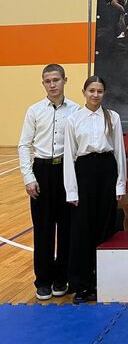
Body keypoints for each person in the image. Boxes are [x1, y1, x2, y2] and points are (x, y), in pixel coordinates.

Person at [18, 64, 81, 300]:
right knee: (43, 229)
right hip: (42, 171)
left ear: (65, 80)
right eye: (48, 81)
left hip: (66, 171)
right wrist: (29, 177)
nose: (52, 84)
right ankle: (43, 280)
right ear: (43, 83)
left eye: (56, 80)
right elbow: (24, 145)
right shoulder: (34, 111)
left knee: (66, 228)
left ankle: (61, 278)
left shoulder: (76, 110)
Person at [64, 75, 127, 304]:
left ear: (104, 93)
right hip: (84, 171)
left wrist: (120, 183)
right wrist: (71, 190)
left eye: (99, 91)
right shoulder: (73, 119)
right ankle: (82, 285)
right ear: (84, 92)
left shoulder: (113, 117)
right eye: (91, 90)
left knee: (105, 227)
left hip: (106, 170)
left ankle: (103, 282)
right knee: (82, 229)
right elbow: (69, 156)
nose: (95, 95)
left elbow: (119, 151)